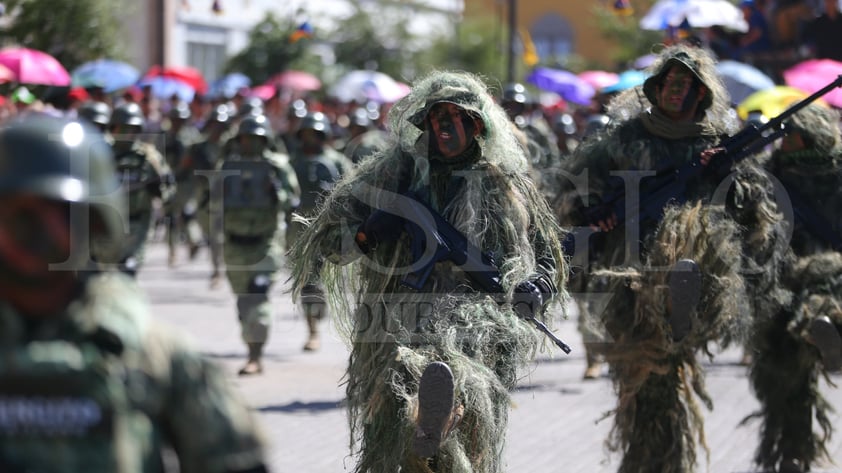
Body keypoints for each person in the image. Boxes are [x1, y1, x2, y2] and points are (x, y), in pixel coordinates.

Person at [288, 70, 567, 473]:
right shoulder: (392, 173)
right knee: (395, 430)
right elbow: (326, 243)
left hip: (482, 318)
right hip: (397, 320)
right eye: (439, 119)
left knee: (467, 421)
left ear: (478, 125)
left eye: (458, 118)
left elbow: (548, 254)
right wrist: (368, 234)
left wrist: (538, 283)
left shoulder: (504, 184)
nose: (447, 128)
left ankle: (434, 412)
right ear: (425, 124)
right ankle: (427, 415)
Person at [0, 113, 269, 472]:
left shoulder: (154, 354)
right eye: (17, 216)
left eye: (61, 213)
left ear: (95, 221)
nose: (36, 233)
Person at [553, 43, 764, 472]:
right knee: (647, 379)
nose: (674, 91)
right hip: (627, 268)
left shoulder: (715, 145)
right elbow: (575, 191)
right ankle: (655, 461)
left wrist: (722, 175)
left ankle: (678, 302)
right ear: (655, 88)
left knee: (689, 239)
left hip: (698, 267)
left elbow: (750, 214)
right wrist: (599, 216)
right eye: (668, 82)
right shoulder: (627, 139)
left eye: (684, 85)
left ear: (700, 94)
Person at [747, 103, 842, 473]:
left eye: (791, 136)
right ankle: (791, 453)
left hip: (827, 277)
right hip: (782, 286)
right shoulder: (770, 178)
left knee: (823, 299)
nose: (783, 143)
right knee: (785, 381)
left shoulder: (833, 177)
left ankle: (829, 335)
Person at [220, 114, 300, 376]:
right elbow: (211, 198)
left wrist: (275, 191)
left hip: (265, 243)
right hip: (234, 244)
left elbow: (292, 199)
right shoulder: (227, 165)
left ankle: (255, 356)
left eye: (256, 138)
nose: (250, 143)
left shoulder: (277, 166)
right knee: (244, 302)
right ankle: (250, 345)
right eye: (246, 138)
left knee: (259, 296)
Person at [287, 111, 353, 351]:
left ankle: (321, 302)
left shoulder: (337, 162)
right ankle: (312, 330)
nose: (310, 139)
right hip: (299, 230)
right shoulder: (292, 162)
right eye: (306, 134)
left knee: (323, 278)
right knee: (306, 278)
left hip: (330, 229)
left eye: (314, 134)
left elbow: (351, 191)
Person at [94, 102, 174, 276]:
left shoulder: (148, 157)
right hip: (108, 223)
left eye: (132, 129)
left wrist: (158, 189)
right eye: (123, 129)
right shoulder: (101, 154)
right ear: (113, 128)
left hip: (137, 224)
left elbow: (168, 187)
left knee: (128, 269)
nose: (128, 134)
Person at [184, 103, 232, 289]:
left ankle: (218, 271)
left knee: (218, 235)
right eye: (215, 124)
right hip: (204, 195)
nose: (217, 128)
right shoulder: (198, 147)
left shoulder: (231, 146)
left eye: (221, 125)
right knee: (210, 233)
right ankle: (217, 267)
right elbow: (185, 167)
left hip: (226, 196)